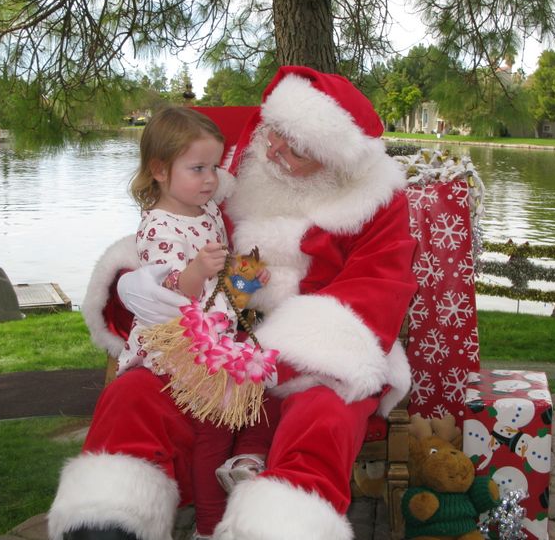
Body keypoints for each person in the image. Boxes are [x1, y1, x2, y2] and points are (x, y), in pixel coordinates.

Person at [48, 66, 418, 540]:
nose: (275, 150)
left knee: (322, 418)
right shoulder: (240, 163)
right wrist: (143, 285)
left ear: (335, 162)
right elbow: (170, 229)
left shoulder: (377, 200)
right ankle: (111, 515)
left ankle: (279, 526)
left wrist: (271, 356)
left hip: (318, 351)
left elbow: (376, 289)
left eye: (296, 149)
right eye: (275, 133)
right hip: (216, 332)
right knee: (134, 395)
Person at [86, 105, 273, 540]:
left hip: (213, 330)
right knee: (212, 430)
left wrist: (244, 275)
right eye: (197, 168)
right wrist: (196, 271)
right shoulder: (157, 226)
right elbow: (169, 290)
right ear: (159, 170)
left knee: (228, 421)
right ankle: (208, 527)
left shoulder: (204, 210)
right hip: (178, 343)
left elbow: (219, 286)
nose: (210, 179)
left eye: (214, 167)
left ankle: (230, 493)